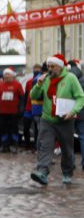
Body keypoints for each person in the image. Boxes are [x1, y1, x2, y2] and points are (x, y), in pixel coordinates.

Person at [29, 54, 84, 185]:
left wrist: (73, 111)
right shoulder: (45, 79)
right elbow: (33, 96)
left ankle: (67, 172)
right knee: (45, 146)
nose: (50, 69)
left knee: (66, 149)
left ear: (60, 67)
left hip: (65, 120)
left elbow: (80, 97)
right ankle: (42, 172)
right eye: (48, 66)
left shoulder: (70, 78)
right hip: (47, 119)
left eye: (52, 66)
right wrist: (38, 85)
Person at [0, 69, 25, 154]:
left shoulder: (17, 85)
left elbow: (22, 98)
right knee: (4, 129)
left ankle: (14, 146)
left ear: (12, 76)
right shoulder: (0, 85)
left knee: (14, 129)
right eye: (6, 75)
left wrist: (21, 109)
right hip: (3, 112)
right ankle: (5, 146)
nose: (7, 76)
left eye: (9, 75)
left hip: (14, 112)